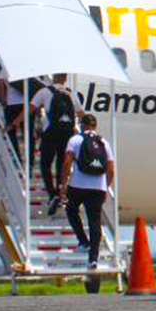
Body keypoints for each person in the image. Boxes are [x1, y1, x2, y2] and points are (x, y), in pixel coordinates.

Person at [59, 113, 115, 269]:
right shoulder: (104, 143)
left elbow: (66, 163)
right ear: (95, 126)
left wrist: (64, 185)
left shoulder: (75, 140)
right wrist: (106, 187)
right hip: (97, 188)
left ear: (82, 125)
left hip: (77, 185)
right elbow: (111, 170)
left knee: (71, 210)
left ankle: (83, 241)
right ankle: (93, 259)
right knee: (94, 222)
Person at [31, 73, 82, 213]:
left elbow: (31, 108)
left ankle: (52, 193)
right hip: (67, 133)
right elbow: (81, 113)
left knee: (45, 164)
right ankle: (60, 192)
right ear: (65, 79)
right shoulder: (71, 94)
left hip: (51, 132)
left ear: (53, 78)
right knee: (61, 164)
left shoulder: (44, 92)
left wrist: (17, 124)